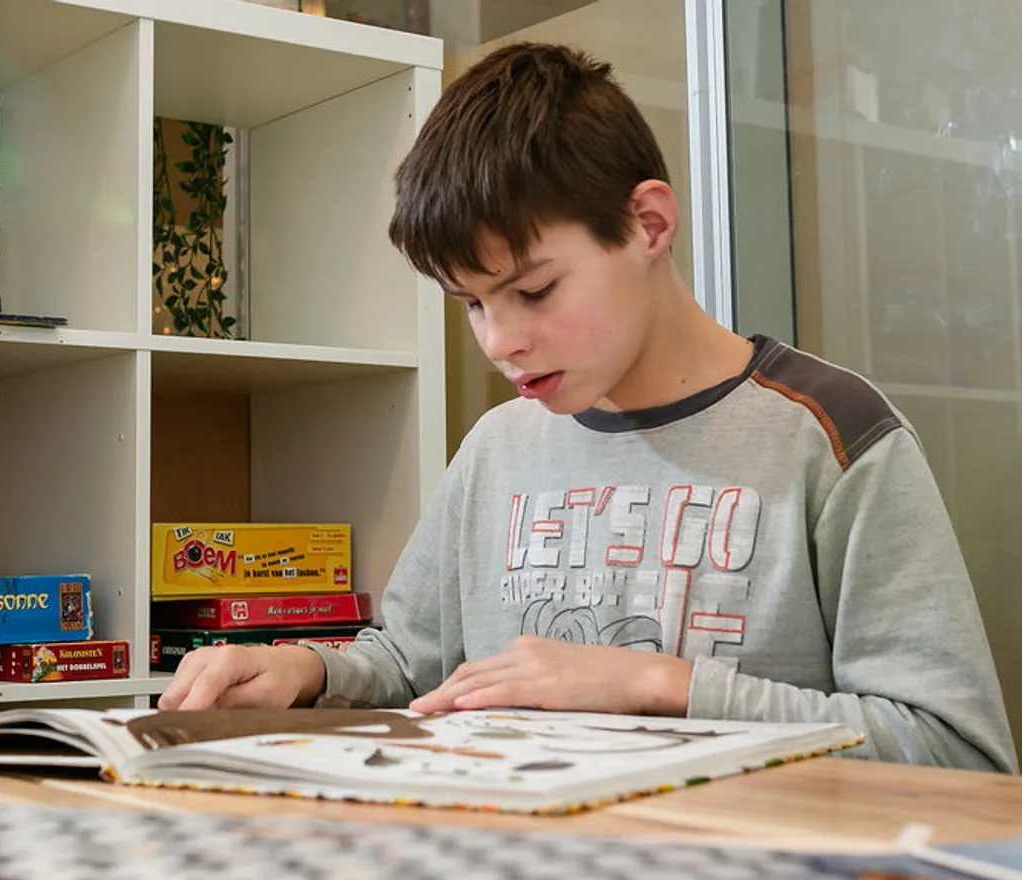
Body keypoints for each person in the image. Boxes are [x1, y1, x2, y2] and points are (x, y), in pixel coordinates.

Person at [158, 41, 1018, 774]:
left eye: (532, 290)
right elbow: (408, 662)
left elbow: (958, 751)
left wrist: (657, 686)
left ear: (647, 224)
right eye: (471, 304)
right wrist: (302, 669)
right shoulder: (499, 447)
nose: (499, 341)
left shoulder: (831, 435)